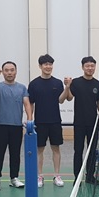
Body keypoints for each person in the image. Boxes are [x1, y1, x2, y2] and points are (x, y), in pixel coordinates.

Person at [0, 61, 32, 191]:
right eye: (6, 70)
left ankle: (14, 178)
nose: (9, 72)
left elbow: (27, 104)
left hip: (16, 126)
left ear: (16, 71)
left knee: (15, 153)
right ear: (3, 72)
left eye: (12, 70)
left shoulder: (22, 88)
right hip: (1, 126)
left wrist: (29, 119)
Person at [26, 54, 66, 188]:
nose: (48, 66)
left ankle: (57, 175)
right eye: (45, 64)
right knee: (39, 150)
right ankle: (39, 176)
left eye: (50, 64)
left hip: (55, 121)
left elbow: (61, 100)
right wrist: (30, 120)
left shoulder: (58, 83)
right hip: (40, 122)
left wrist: (67, 87)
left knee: (56, 148)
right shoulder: (34, 84)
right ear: (40, 66)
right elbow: (30, 103)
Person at [62, 56, 99, 184]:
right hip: (79, 122)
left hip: (93, 123)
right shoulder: (76, 82)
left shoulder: (98, 84)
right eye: (87, 66)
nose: (90, 68)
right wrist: (67, 86)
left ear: (95, 67)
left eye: (92, 66)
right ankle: (77, 177)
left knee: (92, 151)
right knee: (78, 150)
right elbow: (69, 98)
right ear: (82, 67)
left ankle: (90, 176)